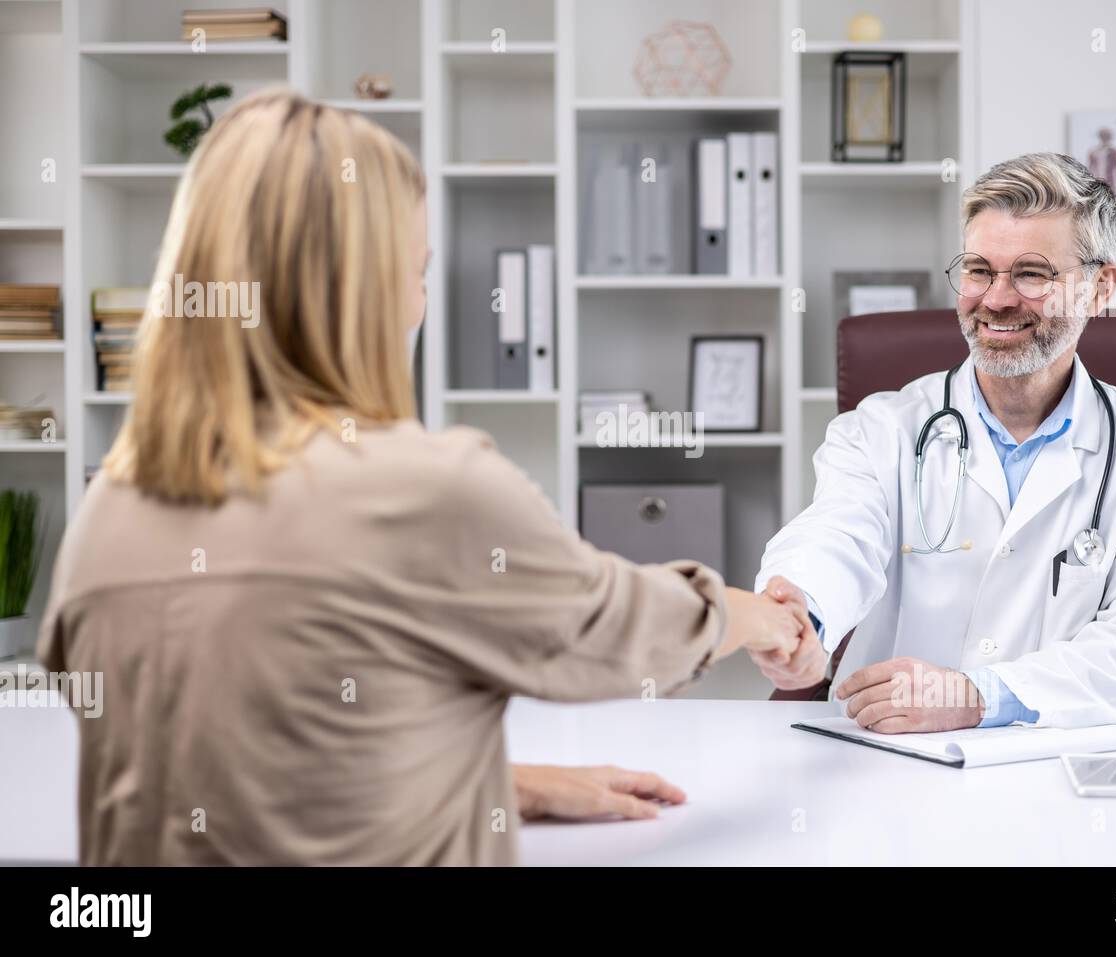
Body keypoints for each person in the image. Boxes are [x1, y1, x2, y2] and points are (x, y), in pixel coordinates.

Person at [37, 89, 806, 866]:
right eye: (416, 271)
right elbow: (619, 627)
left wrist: (496, 783)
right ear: (360, 294)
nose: (420, 302)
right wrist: (761, 617)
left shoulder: (109, 510)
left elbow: (238, 769)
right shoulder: (426, 492)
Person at [752, 152, 1116, 731]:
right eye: (978, 269)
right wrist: (801, 612)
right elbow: (839, 535)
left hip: (1064, 765)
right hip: (887, 757)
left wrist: (978, 697)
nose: (995, 299)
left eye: (1031, 273)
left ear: (1101, 289)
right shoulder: (880, 430)